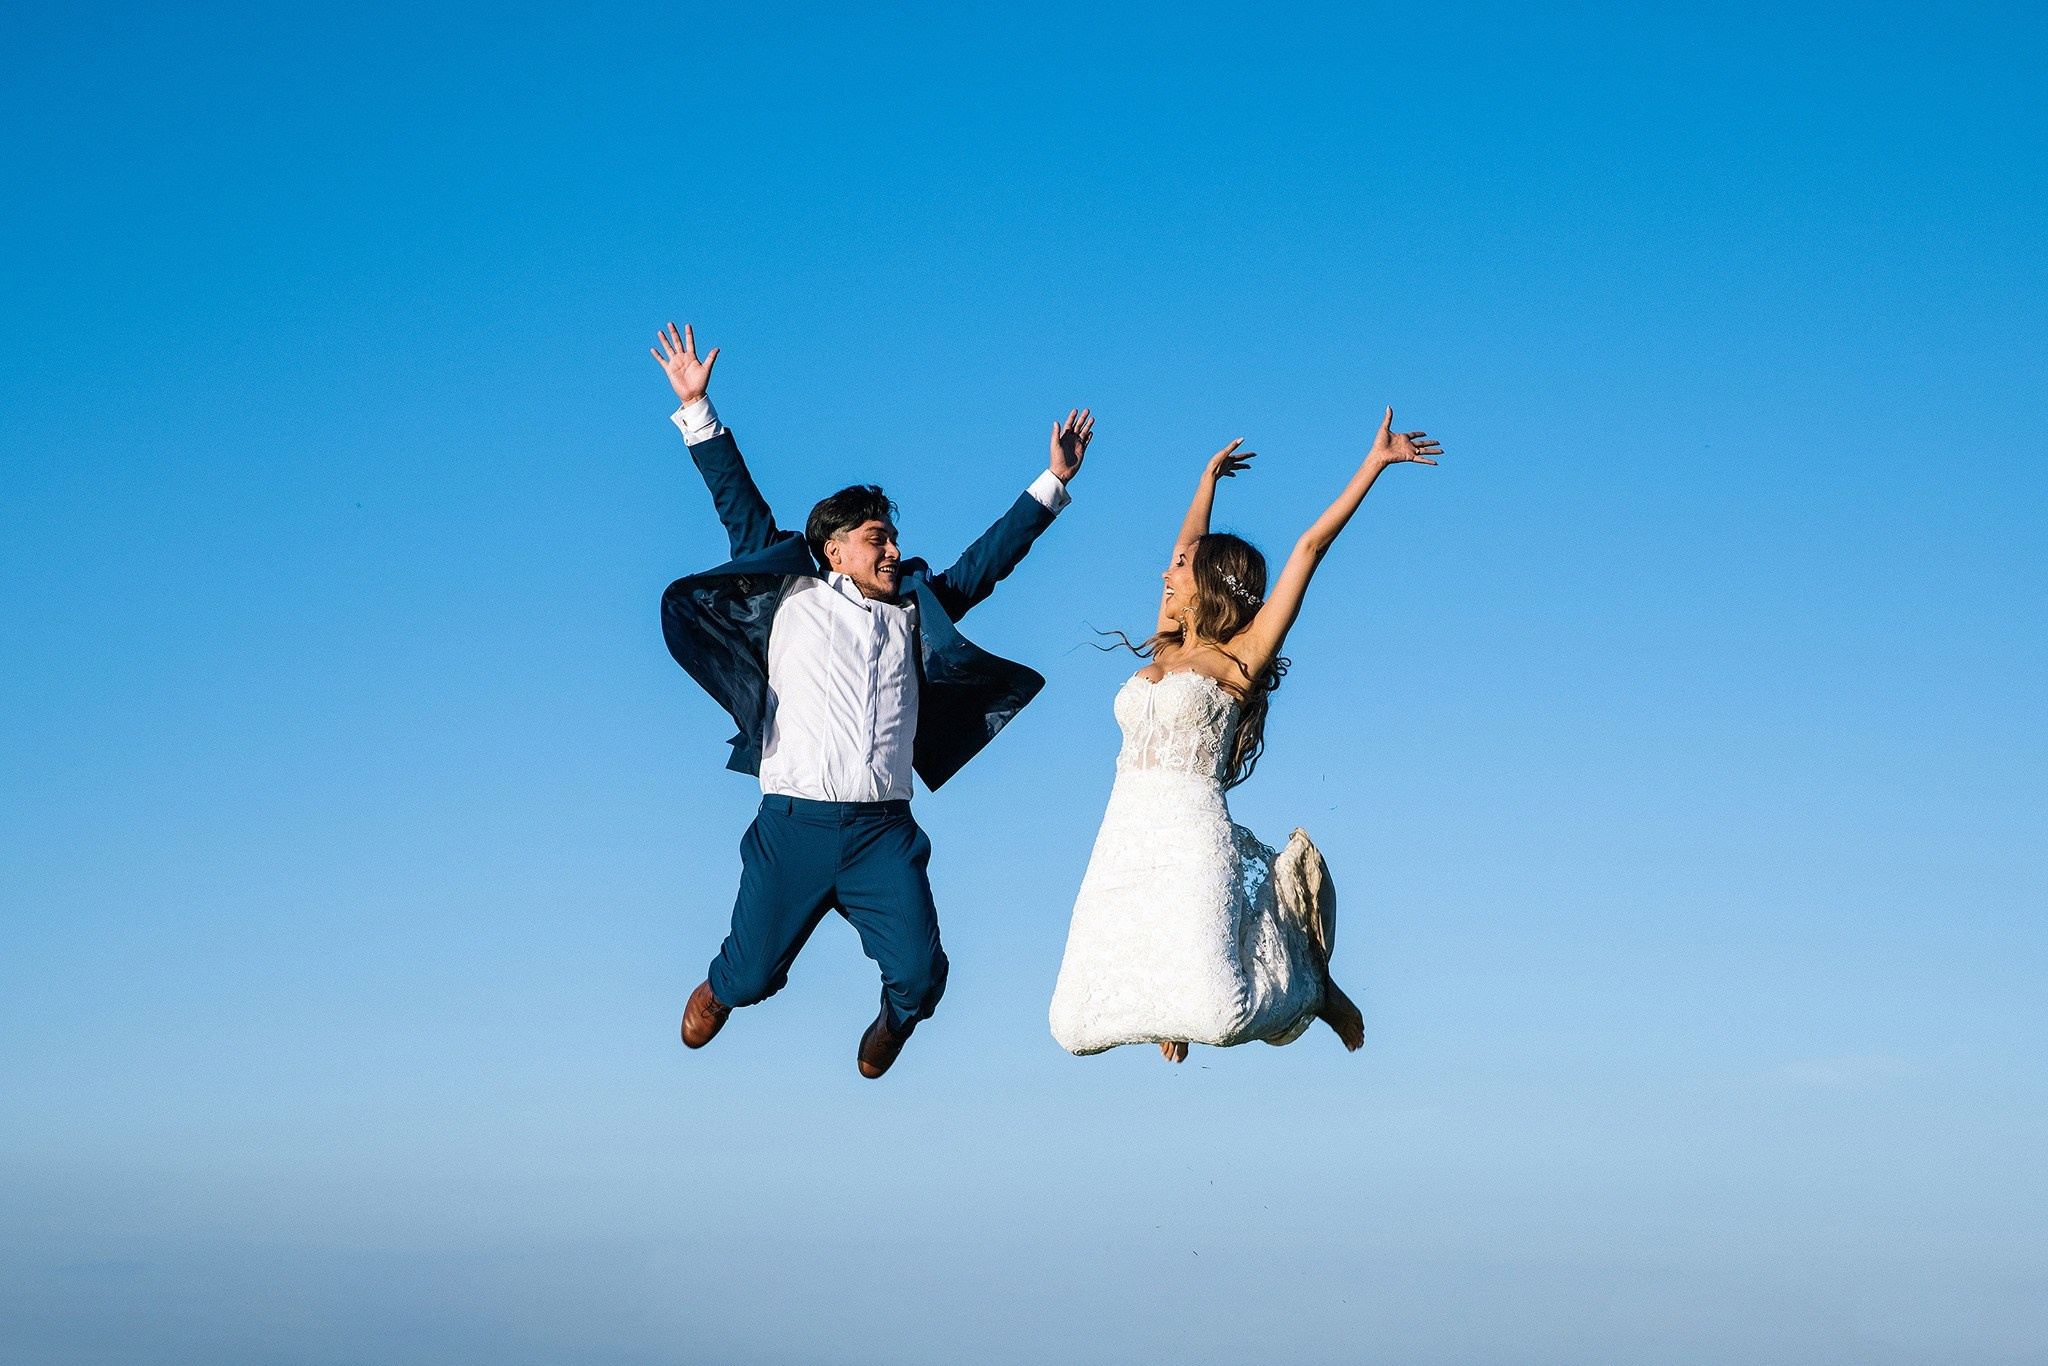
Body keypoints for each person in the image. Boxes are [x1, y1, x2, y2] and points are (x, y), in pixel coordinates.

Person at [650, 322, 1093, 1078]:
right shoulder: (793, 590)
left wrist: (1051, 484)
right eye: (876, 538)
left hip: (882, 832)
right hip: (793, 823)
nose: (892, 551)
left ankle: (894, 1021)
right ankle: (723, 989)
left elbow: (984, 565)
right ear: (835, 549)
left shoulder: (918, 607)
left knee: (924, 979)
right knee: (752, 977)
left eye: (893, 540)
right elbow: (737, 502)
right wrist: (698, 409)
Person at [1047, 408, 1440, 1061]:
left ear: (1202, 585)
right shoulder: (1167, 649)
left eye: (1179, 568)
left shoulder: (1238, 660)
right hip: (1119, 839)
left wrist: (1373, 464)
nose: (1166, 573)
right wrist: (1207, 481)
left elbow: (1308, 549)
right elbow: (1187, 545)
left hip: (1192, 836)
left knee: (1223, 1016)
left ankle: (1311, 985)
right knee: (1073, 1028)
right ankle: (1176, 1010)